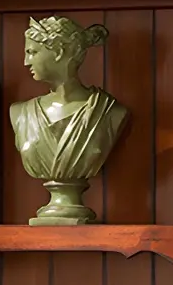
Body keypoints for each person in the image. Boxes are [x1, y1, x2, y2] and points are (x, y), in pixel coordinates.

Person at [10, 15, 129, 223]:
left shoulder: (109, 112)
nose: (26, 61)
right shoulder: (21, 113)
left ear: (59, 52)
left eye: (32, 52)